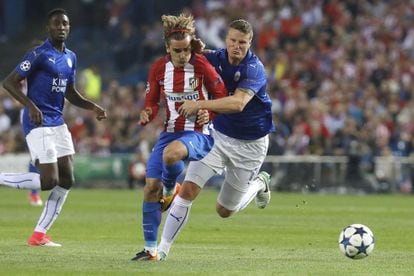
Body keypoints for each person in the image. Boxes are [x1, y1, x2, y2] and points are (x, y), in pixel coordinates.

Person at [156, 19, 275, 260]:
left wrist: (200, 104)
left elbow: (238, 103)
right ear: (226, 40)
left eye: (242, 42)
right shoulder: (214, 58)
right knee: (188, 189)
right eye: (232, 41)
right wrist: (189, 45)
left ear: (250, 43)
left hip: (250, 146)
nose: (236, 46)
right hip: (217, 136)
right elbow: (182, 57)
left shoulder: (255, 68)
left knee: (225, 210)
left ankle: (260, 183)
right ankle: (162, 251)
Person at [0, 8, 107, 247]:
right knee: (48, 181)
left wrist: (92, 107)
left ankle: (39, 235)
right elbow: (9, 82)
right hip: (37, 121)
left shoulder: (71, 57)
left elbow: (70, 92)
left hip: (57, 122)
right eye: (56, 24)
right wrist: (30, 106)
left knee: (67, 179)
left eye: (65, 24)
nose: (61, 27)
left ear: (69, 28)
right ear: (48, 28)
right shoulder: (38, 54)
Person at [130, 13, 227, 261]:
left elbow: (223, 97)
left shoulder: (202, 65)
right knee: (150, 187)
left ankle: (172, 189)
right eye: (178, 51)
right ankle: (150, 249)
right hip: (169, 133)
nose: (183, 55)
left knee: (171, 155)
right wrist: (146, 113)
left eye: (186, 50)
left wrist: (209, 111)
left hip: (198, 134)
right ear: (167, 48)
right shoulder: (159, 68)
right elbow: (151, 103)